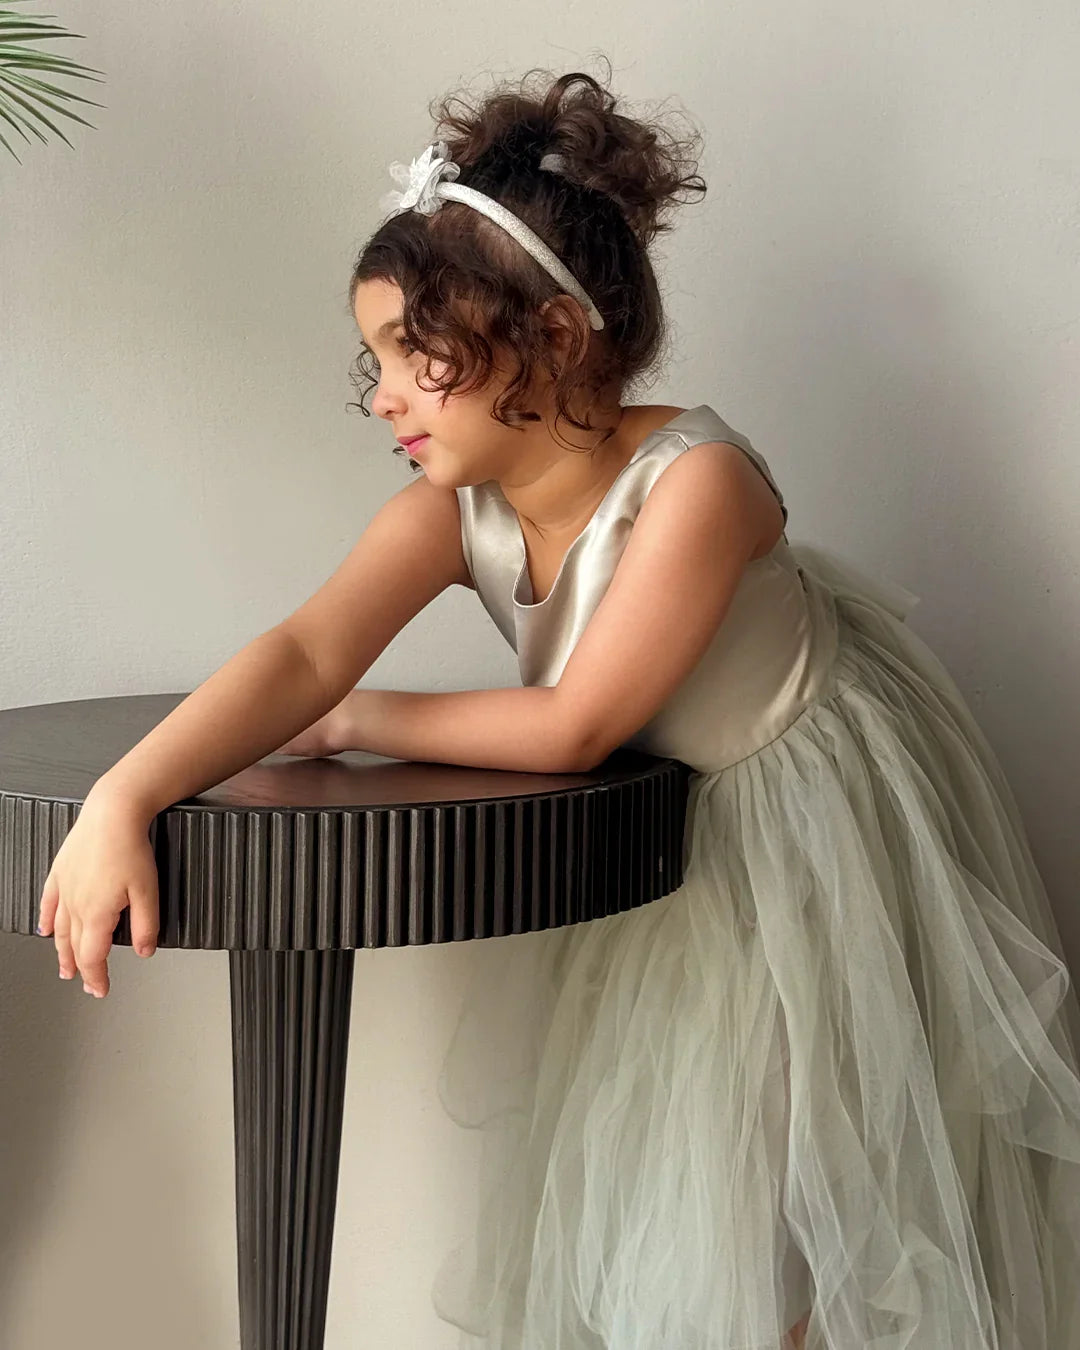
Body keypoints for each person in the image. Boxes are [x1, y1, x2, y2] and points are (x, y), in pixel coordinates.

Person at [37, 63, 1080, 1350]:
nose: (383, 400)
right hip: (668, 842)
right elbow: (305, 650)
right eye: (374, 363)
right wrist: (126, 792)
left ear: (553, 339)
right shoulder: (454, 509)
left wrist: (366, 718)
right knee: (682, 1220)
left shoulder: (698, 482)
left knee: (803, 1221)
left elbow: (575, 725)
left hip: (807, 838)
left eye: (412, 359)